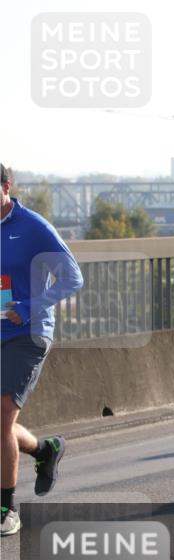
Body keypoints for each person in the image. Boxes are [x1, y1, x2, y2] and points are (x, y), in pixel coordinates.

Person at [1, 163, 84, 536]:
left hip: (28, 333)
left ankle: (6, 509)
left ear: (6, 186)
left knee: (1, 415)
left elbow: (72, 277)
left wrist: (28, 307)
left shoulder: (32, 227)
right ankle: (44, 450)